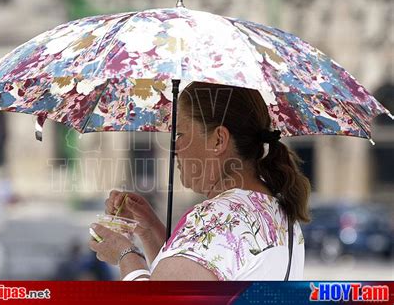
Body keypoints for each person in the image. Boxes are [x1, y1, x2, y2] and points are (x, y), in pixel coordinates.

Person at [88, 82, 311, 280]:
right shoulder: (279, 213)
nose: (174, 149)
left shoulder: (217, 217)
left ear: (218, 140)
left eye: (181, 135)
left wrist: (126, 255)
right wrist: (150, 230)